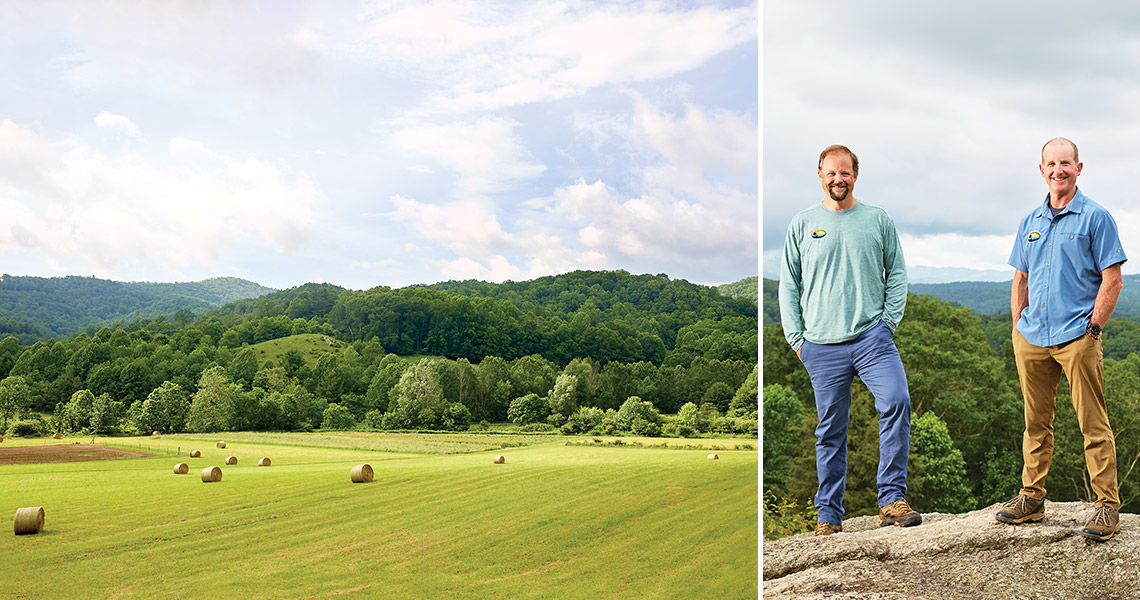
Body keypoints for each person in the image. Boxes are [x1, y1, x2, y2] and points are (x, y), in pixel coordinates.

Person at [778, 144, 921, 536]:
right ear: (820, 175)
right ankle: (828, 516)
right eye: (831, 173)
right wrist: (797, 340)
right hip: (820, 346)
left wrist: (888, 322)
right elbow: (789, 285)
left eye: (845, 172)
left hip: (872, 338)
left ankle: (891, 500)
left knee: (897, 402)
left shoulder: (876, 219)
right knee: (830, 430)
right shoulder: (802, 224)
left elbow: (897, 273)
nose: (838, 179)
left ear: (855, 175)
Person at [996, 137, 1126, 541]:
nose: (1059, 170)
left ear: (1079, 168)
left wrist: (1094, 327)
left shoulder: (1096, 217)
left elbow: (1113, 277)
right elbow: (1021, 277)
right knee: (1035, 422)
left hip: (1077, 337)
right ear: (1042, 170)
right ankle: (1032, 499)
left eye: (1065, 163)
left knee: (1093, 423)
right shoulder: (1030, 221)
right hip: (1032, 337)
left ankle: (1106, 506)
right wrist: (1019, 324)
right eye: (1051, 164)